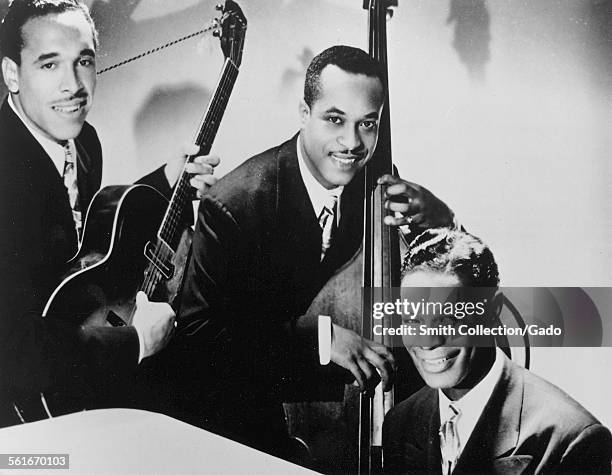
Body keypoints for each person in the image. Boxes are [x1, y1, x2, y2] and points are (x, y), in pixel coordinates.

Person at [139, 45, 457, 457]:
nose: (352, 143)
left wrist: (442, 220)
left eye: (368, 124)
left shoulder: (377, 184)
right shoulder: (234, 204)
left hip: (344, 415)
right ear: (304, 114)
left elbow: (446, 282)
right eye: (335, 119)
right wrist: (321, 340)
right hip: (247, 424)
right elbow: (200, 338)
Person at [0, 0, 218, 427]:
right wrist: (133, 342)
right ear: (12, 75)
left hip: (65, 373)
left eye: (83, 61)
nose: (73, 85)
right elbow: (10, 344)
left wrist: (165, 182)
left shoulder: (83, 142)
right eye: (49, 65)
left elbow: (85, 243)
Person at [383, 228, 612, 474]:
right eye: (412, 321)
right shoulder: (399, 422)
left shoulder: (572, 438)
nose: (427, 341)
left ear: (493, 312)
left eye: (447, 318)